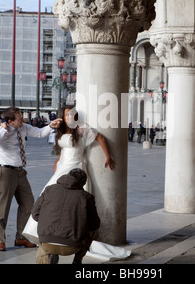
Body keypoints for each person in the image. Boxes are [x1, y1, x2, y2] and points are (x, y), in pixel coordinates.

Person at [23, 105, 131, 261]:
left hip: (76, 167)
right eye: (66, 115)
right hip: (62, 168)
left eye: (70, 115)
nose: (68, 118)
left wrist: (108, 157)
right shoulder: (60, 130)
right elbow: (62, 151)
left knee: (77, 205)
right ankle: (48, 236)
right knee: (51, 199)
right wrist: (57, 163)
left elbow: (100, 137)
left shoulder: (81, 128)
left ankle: (73, 242)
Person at [0, 107, 62, 252]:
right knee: (3, 208)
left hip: (20, 171)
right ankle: (0, 240)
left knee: (28, 204)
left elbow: (39, 133)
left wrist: (51, 126)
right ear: (10, 121)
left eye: (22, 116)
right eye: (19, 118)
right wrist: (3, 129)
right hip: (5, 171)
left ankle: (20, 237)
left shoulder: (23, 128)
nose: (23, 119)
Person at [32, 168, 100, 264]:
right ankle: (78, 259)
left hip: (47, 242)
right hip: (73, 245)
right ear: (83, 183)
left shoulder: (49, 189)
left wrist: (48, 221)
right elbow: (95, 225)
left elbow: (35, 214)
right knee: (92, 231)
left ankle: (48, 257)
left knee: (42, 251)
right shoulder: (86, 197)